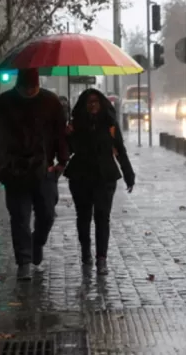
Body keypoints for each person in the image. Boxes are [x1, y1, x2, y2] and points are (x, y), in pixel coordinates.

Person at [0, 69, 68, 280]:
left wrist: (62, 162)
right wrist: (0, 166)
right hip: (15, 170)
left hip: (45, 169)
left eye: (34, 87)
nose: (31, 91)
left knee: (47, 214)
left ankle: (36, 243)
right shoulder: (2, 104)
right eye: (27, 88)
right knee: (20, 216)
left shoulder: (51, 102)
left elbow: (60, 133)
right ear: (19, 86)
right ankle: (24, 261)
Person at [65, 89, 134, 275]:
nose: (92, 105)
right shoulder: (76, 124)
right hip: (80, 176)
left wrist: (128, 174)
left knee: (102, 217)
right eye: (89, 102)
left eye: (96, 101)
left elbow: (120, 149)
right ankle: (86, 252)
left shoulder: (110, 124)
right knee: (84, 217)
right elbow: (67, 150)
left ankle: (101, 258)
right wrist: (68, 135)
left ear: (102, 103)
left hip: (105, 176)